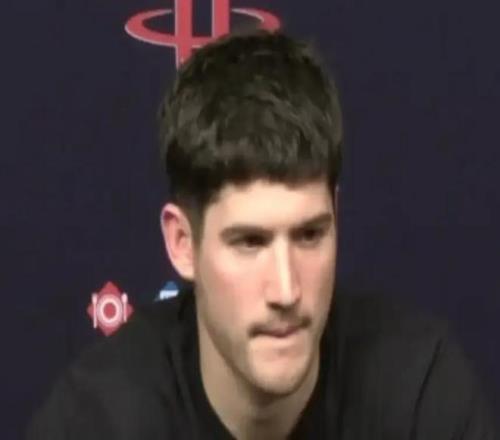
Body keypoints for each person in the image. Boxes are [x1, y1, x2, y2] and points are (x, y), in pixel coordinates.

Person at [27, 30, 496, 439]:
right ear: (182, 243)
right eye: (250, 242)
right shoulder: (98, 420)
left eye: (309, 235)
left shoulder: (419, 393)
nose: (287, 291)